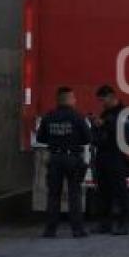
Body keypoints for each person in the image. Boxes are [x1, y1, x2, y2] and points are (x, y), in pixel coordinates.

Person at [37, 86, 91, 238]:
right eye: (74, 98)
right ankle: (77, 230)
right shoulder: (77, 117)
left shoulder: (49, 117)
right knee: (75, 194)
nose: (75, 100)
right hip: (72, 158)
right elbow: (88, 138)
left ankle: (50, 230)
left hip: (54, 158)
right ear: (69, 99)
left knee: (53, 195)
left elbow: (40, 138)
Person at [91, 85, 129, 235]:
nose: (102, 103)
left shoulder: (123, 113)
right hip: (103, 155)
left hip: (116, 156)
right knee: (103, 192)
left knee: (120, 192)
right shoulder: (105, 113)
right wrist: (95, 124)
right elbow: (97, 133)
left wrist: (105, 124)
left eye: (103, 100)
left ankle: (123, 224)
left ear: (112, 97)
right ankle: (104, 224)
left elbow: (124, 132)